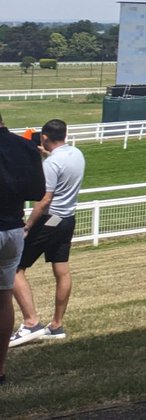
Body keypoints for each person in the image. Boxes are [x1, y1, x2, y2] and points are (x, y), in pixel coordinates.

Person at [9, 119, 85, 347]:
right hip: (67, 219)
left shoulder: (51, 164)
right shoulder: (76, 153)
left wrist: (28, 226)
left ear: (43, 137)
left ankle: (31, 323)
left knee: (14, 268)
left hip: (49, 220)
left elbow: (44, 200)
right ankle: (56, 325)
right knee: (61, 270)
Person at [0, 112, 46, 383]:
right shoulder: (24, 146)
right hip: (13, 231)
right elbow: (37, 191)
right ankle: (1, 370)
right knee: (4, 299)